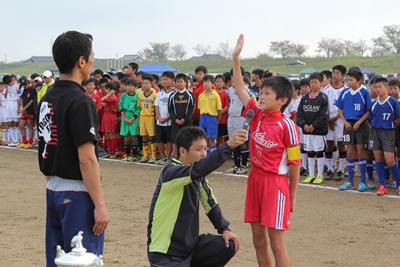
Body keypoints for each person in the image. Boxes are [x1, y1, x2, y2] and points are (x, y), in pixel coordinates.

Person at [37, 30, 109, 266]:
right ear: (81, 61)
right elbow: (87, 160)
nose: (93, 61)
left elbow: (46, 144)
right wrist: (99, 205)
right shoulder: (81, 101)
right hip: (77, 194)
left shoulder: (47, 97)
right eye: (92, 56)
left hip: (53, 188)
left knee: (57, 260)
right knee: (83, 260)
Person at [232, 34, 301, 267]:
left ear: (282, 100)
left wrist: (291, 196)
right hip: (255, 180)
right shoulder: (256, 114)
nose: (260, 96)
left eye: (266, 94)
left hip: (275, 184)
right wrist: (236, 57)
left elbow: (295, 163)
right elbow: (240, 87)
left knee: (276, 241)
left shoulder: (287, 125)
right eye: (260, 92)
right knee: (258, 240)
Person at [147, 126, 244, 267]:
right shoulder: (170, 172)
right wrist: (228, 146)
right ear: (182, 151)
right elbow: (200, 168)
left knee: (227, 244)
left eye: (205, 149)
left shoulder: (198, 177)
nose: (204, 154)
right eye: (199, 149)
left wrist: (225, 228)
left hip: (188, 251)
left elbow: (211, 204)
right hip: (164, 255)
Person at [335, 68, 372, 191]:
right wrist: (345, 122)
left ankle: (362, 182)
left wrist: (359, 122)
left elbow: (368, 111)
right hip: (348, 125)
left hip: (360, 124)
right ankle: (350, 181)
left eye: (351, 80)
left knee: (361, 152)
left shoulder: (364, 92)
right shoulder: (345, 92)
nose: (348, 82)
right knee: (350, 153)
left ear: (359, 81)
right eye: (347, 80)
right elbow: (339, 109)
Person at [368, 77, 400, 195]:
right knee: (378, 158)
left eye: (380, 87)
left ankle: (399, 185)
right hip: (375, 132)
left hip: (388, 132)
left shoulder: (393, 102)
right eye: (375, 87)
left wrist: (389, 127)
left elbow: (398, 119)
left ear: (386, 88)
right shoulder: (374, 104)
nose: (377, 89)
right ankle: (382, 186)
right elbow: (370, 118)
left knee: (390, 160)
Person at [297, 72, 329, 184]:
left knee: (319, 151)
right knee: (309, 151)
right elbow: (299, 114)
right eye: (312, 82)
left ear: (321, 83)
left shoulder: (323, 98)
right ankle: (311, 174)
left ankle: (320, 175)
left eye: (316, 82)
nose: (313, 84)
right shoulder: (304, 98)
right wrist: (304, 125)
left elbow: (324, 115)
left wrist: (313, 125)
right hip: (306, 132)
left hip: (319, 131)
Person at [322, 65, 347, 181]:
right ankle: (330, 169)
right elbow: (323, 107)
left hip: (341, 120)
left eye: (337, 73)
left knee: (342, 145)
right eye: (333, 73)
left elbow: (345, 108)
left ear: (342, 76)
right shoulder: (326, 90)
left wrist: (336, 118)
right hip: (329, 121)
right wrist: (328, 120)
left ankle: (341, 169)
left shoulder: (345, 90)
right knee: (329, 145)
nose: (334, 75)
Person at [225, 66, 252, 175]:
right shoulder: (230, 90)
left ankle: (243, 165)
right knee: (234, 141)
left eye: (237, 75)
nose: (234, 77)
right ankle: (236, 165)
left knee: (243, 141)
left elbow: (249, 104)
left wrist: (247, 119)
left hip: (241, 118)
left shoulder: (245, 89)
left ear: (242, 76)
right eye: (233, 75)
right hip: (231, 117)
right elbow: (231, 102)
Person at [168, 73, 195, 158]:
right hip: (175, 122)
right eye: (177, 82)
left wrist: (185, 119)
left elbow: (192, 108)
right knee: (175, 141)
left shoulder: (190, 95)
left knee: (187, 140)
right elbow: (170, 109)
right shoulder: (172, 95)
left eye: (181, 81)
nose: (179, 83)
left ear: (186, 83)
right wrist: (175, 119)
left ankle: (186, 157)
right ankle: (176, 157)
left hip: (186, 121)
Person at [154, 71, 175, 165]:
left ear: (172, 81)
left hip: (169, 121)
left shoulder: (174, 93)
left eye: (166, 79)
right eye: (162, 79)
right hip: (160, 121)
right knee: (158, 139)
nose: (164, 81)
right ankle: (162, 157)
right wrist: (159, 117)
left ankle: (168, 157)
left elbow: (174, 109)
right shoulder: (160, 93)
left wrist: (167, 118)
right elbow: (156, 106)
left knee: (170, 140)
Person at [198, 74, 222, 152]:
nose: (206, 84)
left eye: (208, 82)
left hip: (212, 118)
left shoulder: (216, 95)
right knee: (203, 137)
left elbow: (219, 110)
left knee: (211, 138)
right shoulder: (201, 96)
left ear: (212, 84)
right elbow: (200, 109)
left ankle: (212, 155)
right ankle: (205, 154)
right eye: (204, 82)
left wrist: (217, 121)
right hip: (202, 117)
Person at [119, 78, 141, 162]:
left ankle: (134, 155)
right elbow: (120, 106)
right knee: (126, 136)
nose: (129, 87)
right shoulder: (123, 96)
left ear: (135, 87)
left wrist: (132, 118)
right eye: (127, 85)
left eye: (131, 86)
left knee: (134, 136)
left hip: (133, 117)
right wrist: (124, 118)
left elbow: (138, 108)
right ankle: (127, 154)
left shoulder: (137, 96)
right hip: (124, 117)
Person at [138, 75, 157, 163]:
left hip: (150, 117)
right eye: (143, 84)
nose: (144, 85)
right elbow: (139, 107)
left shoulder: (154, 95)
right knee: (144, 136)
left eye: (146, 84)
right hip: (142, 117)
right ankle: (145, 155)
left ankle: (153, 155)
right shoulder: (140, 95)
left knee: (151, 136)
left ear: (151, 84)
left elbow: (156, 107)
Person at [16, 77, 36, 149]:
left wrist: (25, 108)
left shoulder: (32, 89)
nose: (24, 87)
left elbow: (32, 100)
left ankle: (30, 142)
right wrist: (22, 107)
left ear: (27, 83)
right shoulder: (25, 89)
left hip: (30, 110)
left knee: (30, 126)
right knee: (21, 126)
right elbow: (22, 98)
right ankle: (24, 141)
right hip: (24, 110)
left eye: (24, 85)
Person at [100, 82, 118, 159]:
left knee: (111, 134)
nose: (105, 90)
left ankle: (113, 152)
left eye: (107, 89)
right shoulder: (110, 98)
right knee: (107, 134)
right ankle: (110, 151)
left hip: (110, 116)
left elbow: (102, 99)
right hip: (106, 115)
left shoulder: (113, 98)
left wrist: (109, 93)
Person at [3, 75, 20, 146]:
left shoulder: (17, 86)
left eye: (10, 82)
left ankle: (17, 139)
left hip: (15, 103)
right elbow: (5, 96)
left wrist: (19, 108)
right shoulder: (7, 86)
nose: (10, 84)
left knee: (16, 122)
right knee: (10, 122)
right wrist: (6, 89)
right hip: (8, 103)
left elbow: (20, 96)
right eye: (8, 83)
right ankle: (13, 140)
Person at [214, 74, 229, 147]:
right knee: (212, 137)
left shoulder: (226, 94)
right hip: (213, 118)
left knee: (220, 137)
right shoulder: (212, 93)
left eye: (220, 81)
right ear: (214, 83)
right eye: (217, 81)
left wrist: (219, 113)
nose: (219, 83)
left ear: (224, 83)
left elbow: (227, 107)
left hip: (222, 119)